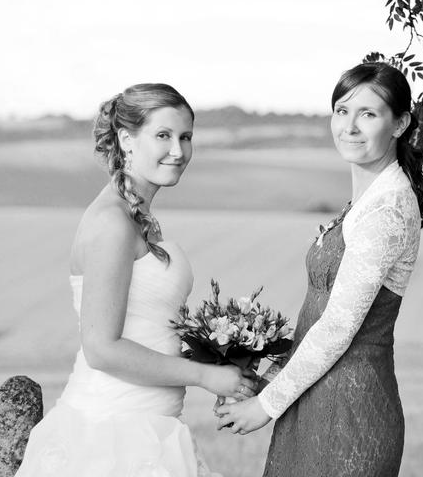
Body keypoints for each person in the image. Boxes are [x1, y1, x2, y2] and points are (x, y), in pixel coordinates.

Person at [15, 83, 258, 477]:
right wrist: (205, 376)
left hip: (152, 428)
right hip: (111, 438)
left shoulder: (141, 219)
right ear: (126, 139)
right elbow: (101, 349)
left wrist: (222, 359)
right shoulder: (112, 223)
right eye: (163, 135)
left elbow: (147, 331)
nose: (178, 150)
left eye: (185, 137)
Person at [215, 62, 423, 476]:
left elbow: (337, 327)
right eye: (342, 111)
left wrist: (265, 405)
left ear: (400, 123)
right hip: (316, 398)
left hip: (349, 409)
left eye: (368, 114)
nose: (349, 126)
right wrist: (265, 380)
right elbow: (314, 319)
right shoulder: (367, 201)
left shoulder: (386, 210)